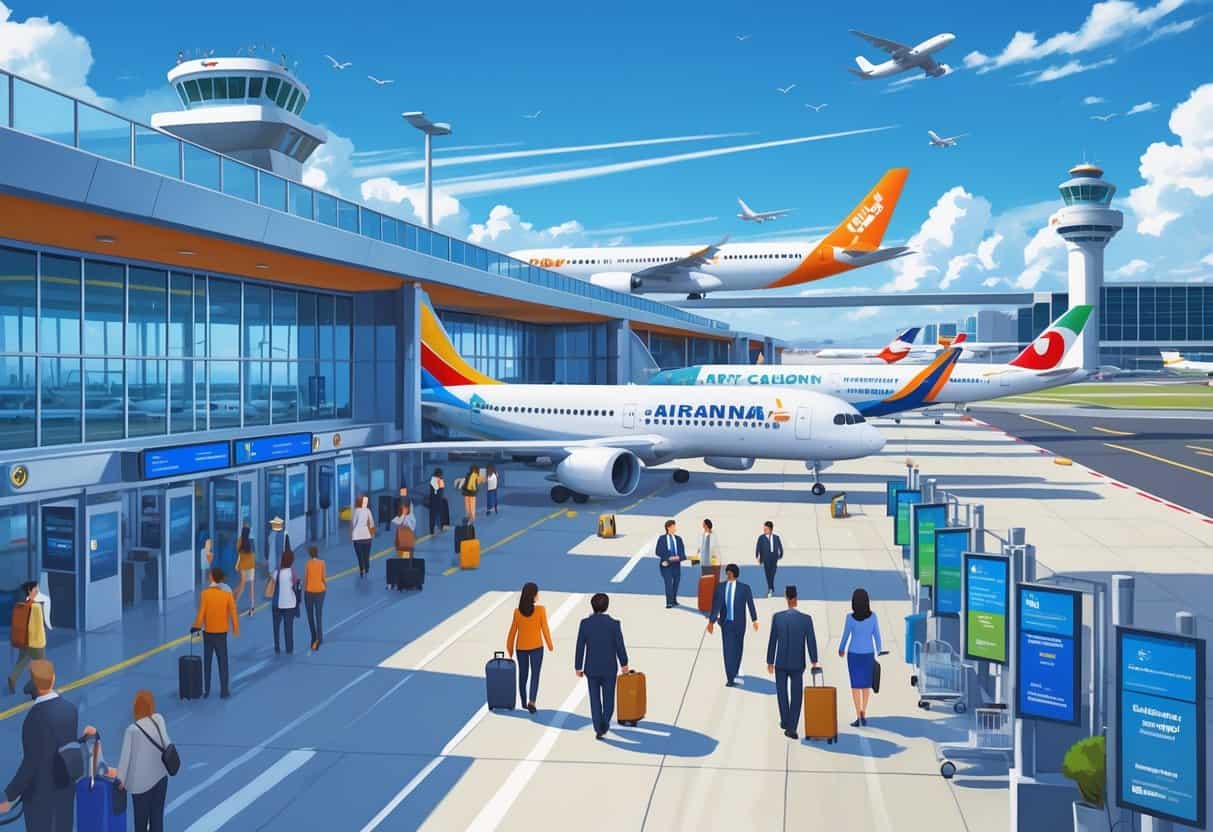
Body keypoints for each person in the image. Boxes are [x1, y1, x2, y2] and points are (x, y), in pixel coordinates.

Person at [1, 659, 99, 831]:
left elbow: (30, 764)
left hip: (40, 800)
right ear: (53, 678)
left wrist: (9, 796)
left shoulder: (33, 719)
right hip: (65, 792)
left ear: (33, 684)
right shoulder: (70, 710)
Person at [766, 585, 819, 739]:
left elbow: (773, 640)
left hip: (781, 662)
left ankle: (785, 720)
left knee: (781, 693)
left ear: (785, 597)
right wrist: (814, 660)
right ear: (796, 598)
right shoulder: (806, 619)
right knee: (796, 695)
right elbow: (811, 641)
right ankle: (792, 727)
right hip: (797, 663)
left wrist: (770, 660)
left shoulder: (778, 617)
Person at [574, 593, 629, 740]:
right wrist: (624, 663)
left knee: (594, 699)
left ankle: (598, 727)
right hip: (609, 668)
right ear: (607, 606)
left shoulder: (585, 623)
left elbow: (580, 646)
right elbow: (620, 645)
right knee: (609, 699)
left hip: (591, 668)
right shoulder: (614, 624)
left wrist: (578, 666)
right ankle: (605, 721)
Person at [115, 690, 171, 832]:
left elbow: (125, 759)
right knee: (157, 818)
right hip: (161, 778)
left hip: (140, 785)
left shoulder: (132, 730)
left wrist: (120, 780)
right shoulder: (159, 720)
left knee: (140, 822)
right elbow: (167, 743)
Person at [506, 582, 555, 714]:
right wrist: (550, 645)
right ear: (533, 595)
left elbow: (512, 632)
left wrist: (510, 650)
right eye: (537, 593)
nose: (538, 595)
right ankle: (532, 701)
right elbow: (545, 629)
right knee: (535, 674)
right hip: (537, 647)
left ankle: (523, 701)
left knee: (523, 674)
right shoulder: (541, 610)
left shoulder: (517, 612)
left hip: (521, 648)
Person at [707, 564, 759, 686]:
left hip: (739, 624)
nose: (728, 575)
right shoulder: (720, 587)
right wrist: (711, 622)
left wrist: (754, 620)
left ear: (735, 574)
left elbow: (750, 604)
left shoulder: (744, 588)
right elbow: (716, 606)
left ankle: (734, 670)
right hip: (726, 624)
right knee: (728, 650)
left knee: (738, 649)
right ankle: (730, 678)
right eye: (727, 572)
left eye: (730, 573)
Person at [192, 567, 240, 698]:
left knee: (207, 662)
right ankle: (224, 690)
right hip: (221, 634)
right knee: (223, 662)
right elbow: (233, 612)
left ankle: (206, 690)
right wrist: (236, 628)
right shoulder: (227, 595)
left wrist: (196, 627)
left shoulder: (205, 594)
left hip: (208, 633)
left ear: (211, 578)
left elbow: (201, 613)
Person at [839, 588, 883, 727]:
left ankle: (858, 715)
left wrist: (841, 648)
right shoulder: (873, 617)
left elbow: (846, 635)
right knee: (865, 685)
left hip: (853, 655)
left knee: (855, 685)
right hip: (868, 654)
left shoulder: (849, 618)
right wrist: (879, 649)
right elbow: (877, 635)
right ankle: (864, 711)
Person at [7, 581, 47, 695]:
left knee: (22, 661)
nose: (37, 590)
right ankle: (32, 686)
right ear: (30, 590)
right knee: (40, 665)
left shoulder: (22, 604)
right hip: (36, 642)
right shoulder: (37, 606)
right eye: (35, 589)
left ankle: (13, 677)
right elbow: (39, 626)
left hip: (24, 640)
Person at [271, 548, 300, 654]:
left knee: (276, 627)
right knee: (288, 628)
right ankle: (289, 648)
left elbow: (272, 584)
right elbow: (298, 587)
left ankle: (277, 647)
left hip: (277, 604)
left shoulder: (277, 572)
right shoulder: (293, 573)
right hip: (290, 604)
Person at [655, 519, 685, 609]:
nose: (675, 529)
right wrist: (668, 558)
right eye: (673, 527)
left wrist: (678, 558)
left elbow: (682, 553)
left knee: (676, 583)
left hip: (676, 565)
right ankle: (669, 602)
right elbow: (658, 551)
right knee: (668, 583)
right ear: (668, 528)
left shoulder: (678, 539)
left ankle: (674, 600)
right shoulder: (662, 538)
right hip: (666, 565)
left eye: (675, 527)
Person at [304, 545, 327, 652]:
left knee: (310, 616)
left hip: (309, 591)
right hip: (320, 591)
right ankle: (319, 638)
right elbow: (323, 577)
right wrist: (325, 586)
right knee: (318, 614)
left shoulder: (308, 564)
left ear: (310, 554)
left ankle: (313, 637)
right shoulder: (322, 563)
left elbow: (306, 578)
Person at [755, 521, 784, 598]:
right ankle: (770, 588)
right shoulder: (761, 538)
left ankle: (770, 588)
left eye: (766, 529)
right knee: (768, 574)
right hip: (765, 558)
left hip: (774, 557)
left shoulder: (776, 537)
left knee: (773, 573)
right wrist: (757, 556)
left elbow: (780, 546)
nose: (764, 530)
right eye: (764, 529)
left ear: (770, 529)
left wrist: (781, 554)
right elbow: (758, 547)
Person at [351, 494, 375, 578]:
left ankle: (362, 569)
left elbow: (353, 523)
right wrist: (372, 533)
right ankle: (367, 568)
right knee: (366, 555)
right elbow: (372, 523)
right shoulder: (368, 510)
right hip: (367, 536)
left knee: (359, 555)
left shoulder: (356, 511)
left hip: (357, 537)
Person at [234, 525, 256, 617]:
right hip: (251, 565)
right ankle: (252, 606)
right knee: (251, 586)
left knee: (242, 585)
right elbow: (253, 554)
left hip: (242, 565)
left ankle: (233, 603)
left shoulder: (239, 540)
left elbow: (239, 554)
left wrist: (236, 565)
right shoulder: (251, 540)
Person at [427, 469, 448, 535]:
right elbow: (441, 491)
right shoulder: (440, 480)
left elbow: (432, 491)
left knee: (432, 515)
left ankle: (432, 530)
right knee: (440, 514)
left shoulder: (432, 480)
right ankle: (441, 526)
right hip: (438, 500)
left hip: (432, 500)